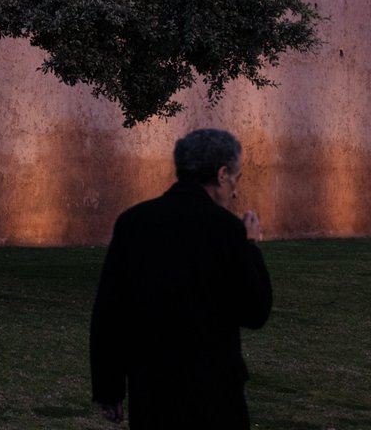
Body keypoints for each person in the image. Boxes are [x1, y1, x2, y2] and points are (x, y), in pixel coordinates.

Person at [90, 128, 272, 429]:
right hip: (215, 395)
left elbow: (110, 312)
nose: (236, 191)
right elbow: (255, 311)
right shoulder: (227, 231)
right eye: (236, 179)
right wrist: (251, 247)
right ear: (222, 174)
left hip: (152, 392)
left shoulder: (134, 223)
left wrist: (109, 390)